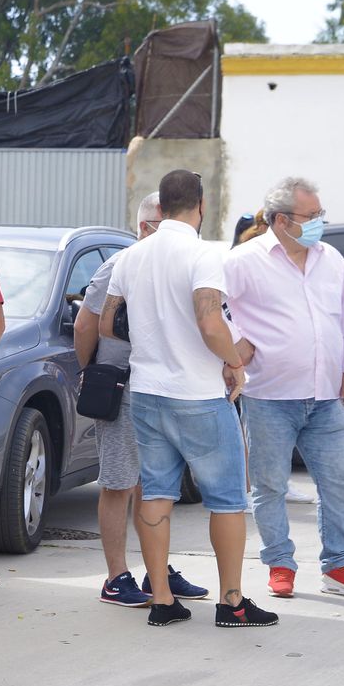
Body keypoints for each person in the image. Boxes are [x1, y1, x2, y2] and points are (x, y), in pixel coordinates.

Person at [100, 169, 278, 629]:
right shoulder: (204, 253)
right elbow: (209, 319)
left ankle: (161, 599)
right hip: (198, 394)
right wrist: (234, 364)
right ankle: (232, 602)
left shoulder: (131, 256)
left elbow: (106, 325)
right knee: (227, 499)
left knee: (156, 492)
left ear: (159, 208)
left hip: (146, 392)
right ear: (200, 206)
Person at [226, 177, 344, 600]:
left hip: (326, 396)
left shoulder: (330, 258)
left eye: (320, 214)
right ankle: (279, 563)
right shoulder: (244, 260)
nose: (318, 223)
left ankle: (339, 566)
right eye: (310, 216)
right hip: (269, 397)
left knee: (339, 481)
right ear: (280, 220)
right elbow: (211, 307)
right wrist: (237, 345)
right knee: (270, 485)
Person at [75, 193, 209, 606]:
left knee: (155, 485)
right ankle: (115, 577)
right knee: (117, 482)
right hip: (124, 386)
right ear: (149, 226)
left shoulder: (180, 264)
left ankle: (157, 572)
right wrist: (93, 372)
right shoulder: (121, 264)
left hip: (161, 386)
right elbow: (86, 323)